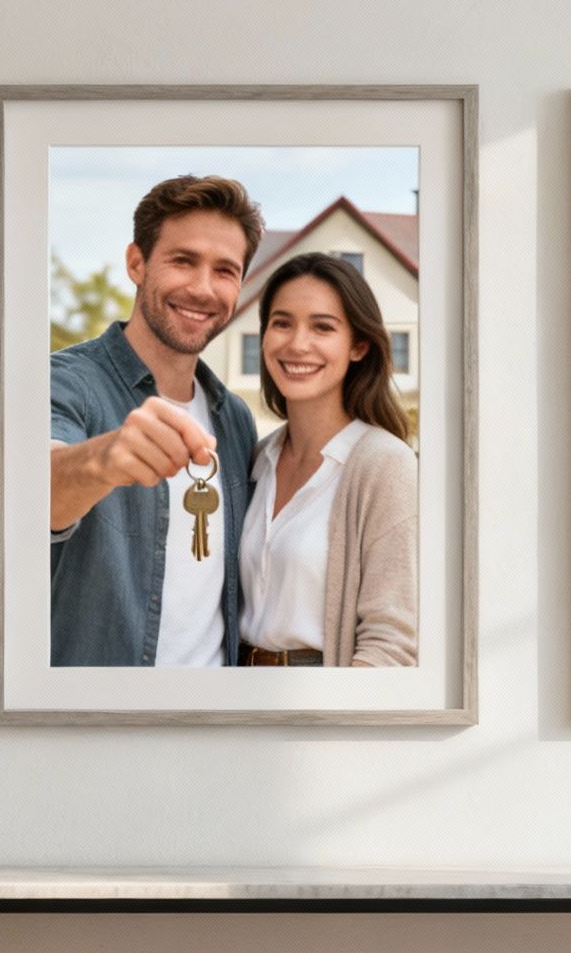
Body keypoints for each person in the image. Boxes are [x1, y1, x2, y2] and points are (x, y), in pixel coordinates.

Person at [49, 175, 263, 666]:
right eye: (183, 261)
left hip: (212, 723)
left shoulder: (235, 420)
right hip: (100, 725)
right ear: (136, 263)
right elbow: (34, 487)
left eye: (225, 270)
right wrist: (104, 459)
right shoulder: (63, 383)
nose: (203, 288)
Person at [237, 253, 418, 667]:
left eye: (322, 327)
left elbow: (391, 644)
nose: (297, 344)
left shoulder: (384, 465)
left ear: (358, 346)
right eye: (282, 323)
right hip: (233, 703)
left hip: (322, 706)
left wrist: (333, 729)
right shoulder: (256, 460)